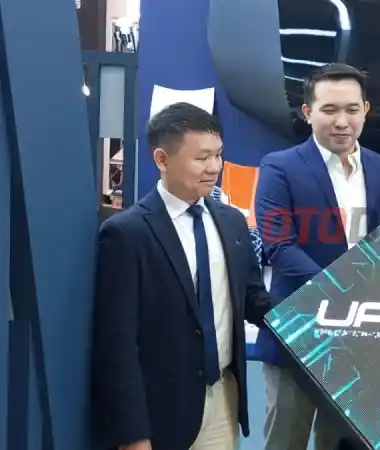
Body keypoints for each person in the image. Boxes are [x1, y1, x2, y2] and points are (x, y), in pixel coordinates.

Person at [91, 102, 276, 450]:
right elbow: (117, 343)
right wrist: (132, 434)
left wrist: (308, 316)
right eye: (202, 157)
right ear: (162, 159)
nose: (214, 167)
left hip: (223, 398)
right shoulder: (127, 234)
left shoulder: (232, 222)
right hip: (159, 411)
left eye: (218, 155)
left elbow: (253, 299)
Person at [253, 63, 380, 450]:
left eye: (352, 109)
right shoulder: (279, 167)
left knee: (342, 444)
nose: (342, 121)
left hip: (362, 342)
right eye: (329, 110)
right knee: (285, 441)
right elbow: (280, 247)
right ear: (308, 112)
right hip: (298, 334)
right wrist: (342, 291)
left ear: (365, 110)